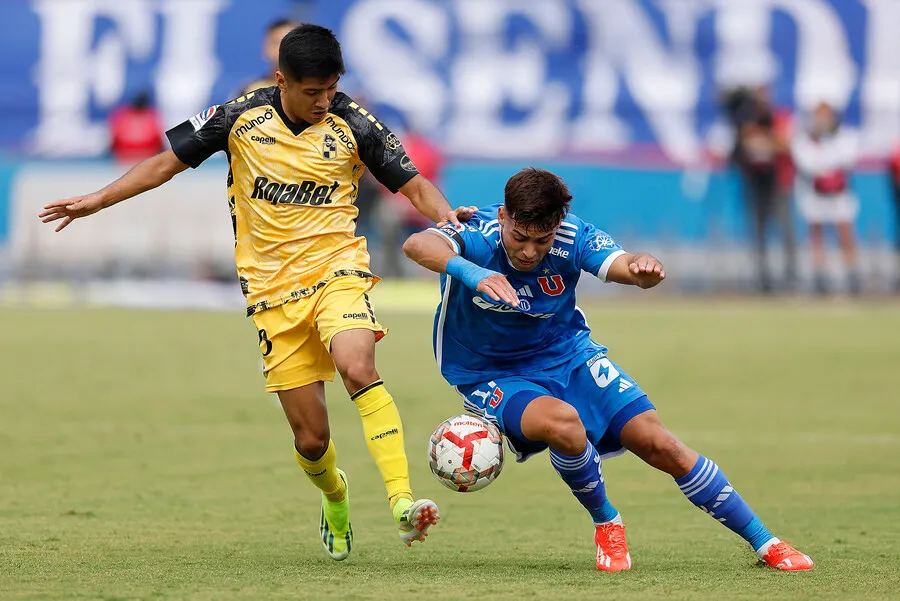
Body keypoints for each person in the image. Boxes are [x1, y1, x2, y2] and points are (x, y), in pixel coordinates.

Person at [40, 24, 465, 561]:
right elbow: (163, 164)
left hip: (338, 269)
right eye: (313, 92)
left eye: (331, 88)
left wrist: (448, 218)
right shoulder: (241, 116)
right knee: (311, 440)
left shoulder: (354, 122)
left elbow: (414, 184)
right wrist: (98, 200)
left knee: (359, 366)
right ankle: (335, 496)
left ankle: (403, 503)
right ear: (283, 81)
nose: (324, 101)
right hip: (270, 292)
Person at [402, 167, 814, 572]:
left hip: (568, 353)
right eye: (520, 237)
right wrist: (474, 272)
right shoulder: (476, 230)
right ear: (505, 216)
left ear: (558, 224)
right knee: (564, 425)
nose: (529, 251)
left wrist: (642, 268)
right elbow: (418, 245)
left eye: (541, 240)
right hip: (489, 371)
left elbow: (621, 263)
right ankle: (607, 521)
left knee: (659, 443)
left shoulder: (572, 235)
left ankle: (766, 542)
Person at [722, 86, 797, 293]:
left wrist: (764, 137)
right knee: (758, 232)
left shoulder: (779, 119)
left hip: (778, 183)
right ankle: (763, 279)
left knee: (785, 231)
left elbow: (786, 145)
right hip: (755, 184)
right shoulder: (747, 121)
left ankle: (791, 277)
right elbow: (740, 149)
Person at [792, 102, 861, 294]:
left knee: (845, 232)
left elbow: (846, 159)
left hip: (839, 193)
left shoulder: (843, 136)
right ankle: (819, 276)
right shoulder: (807, 138)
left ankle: (852, 275)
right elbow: (808, 163)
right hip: (817, 193)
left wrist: (826, 161)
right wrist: (825, 162)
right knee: (816, 234)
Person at [238, 18, 298, 96]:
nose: (282, 49)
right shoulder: (250, 91)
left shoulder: (313, 89)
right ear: (265, 48)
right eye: (276, 42)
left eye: (290, 43)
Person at [108, 91, 164, 163]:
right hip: (128, 158)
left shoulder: (151, 115)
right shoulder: (152, 115)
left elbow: (113, 142)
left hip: (130, 157)